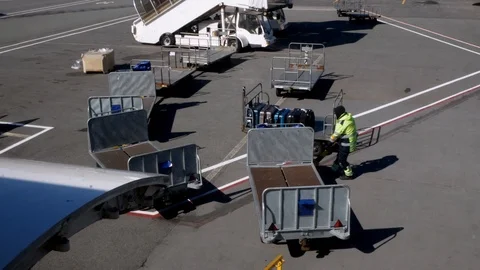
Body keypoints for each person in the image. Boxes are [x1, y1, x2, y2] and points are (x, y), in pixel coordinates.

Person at [329, 105, 358, 180]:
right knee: (339, 157)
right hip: (348, 141)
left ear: (339, 113)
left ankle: (349, 174)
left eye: (336, 113)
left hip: (347, 144)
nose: (335, 115)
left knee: (342, 160)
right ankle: (333, 170)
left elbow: (336, 134)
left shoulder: (343, 122)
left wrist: (330, 141)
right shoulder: (348, 117)